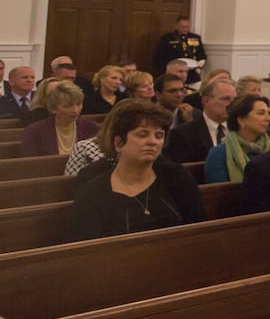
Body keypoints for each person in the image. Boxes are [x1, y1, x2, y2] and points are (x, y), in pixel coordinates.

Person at [67, 101, 204, 241]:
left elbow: (199, 230)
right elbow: (88, 248)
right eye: (142, 134)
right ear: (118, 143)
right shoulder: (93, 192)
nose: (152, 141)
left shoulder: (177, 177)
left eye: (159, 135)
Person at [204, 94, 270, 183]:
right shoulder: (219, 154)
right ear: (241, 120)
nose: (268, 118)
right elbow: (219, 192)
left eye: (268, 113)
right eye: (261, 113)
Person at [19, 80, 98, 157]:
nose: (75, 110)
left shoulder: (91, 127)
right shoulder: (35, 131)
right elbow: (29, 164)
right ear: (54, 108)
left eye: (78, 104)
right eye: (67, 106)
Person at [153, 16, 207, 84]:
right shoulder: (167, 38)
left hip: (191, 74)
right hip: (173, 74)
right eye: (182, 27)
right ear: (176, 26)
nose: (185, 29)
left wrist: (200, 64)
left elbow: (201, 54)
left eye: (187, 26)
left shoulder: (195, 38)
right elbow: (159, 57)